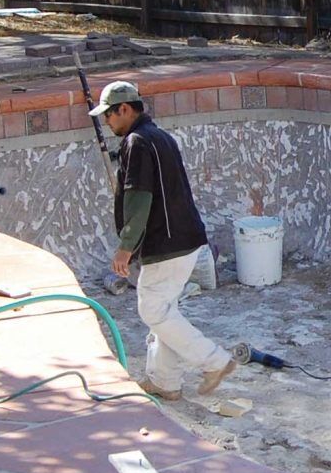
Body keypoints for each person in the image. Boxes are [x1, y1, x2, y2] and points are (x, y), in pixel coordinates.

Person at [90, 80, 236, 399]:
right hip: (186, 237)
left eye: (109, 116)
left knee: (154, 311)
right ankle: (165, 382)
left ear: (124, 109)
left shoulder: (137, 142)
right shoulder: (161, 137)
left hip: (165, 243)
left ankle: (215, 360)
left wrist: (125, 247)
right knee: (164, 312)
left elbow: (140, 199)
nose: (107, 122)